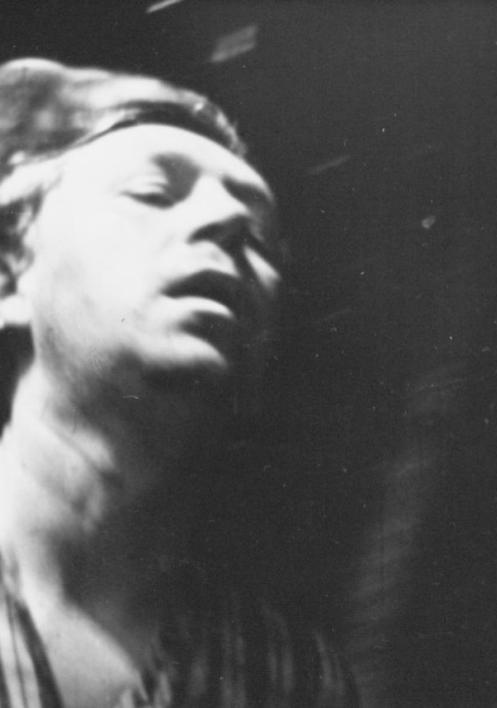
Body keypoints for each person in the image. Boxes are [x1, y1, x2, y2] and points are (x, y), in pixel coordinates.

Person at [0, 58, 357, 708]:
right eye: (154, 193)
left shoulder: (291, 680)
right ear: (8, 270)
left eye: (260, 238)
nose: (228, 221)